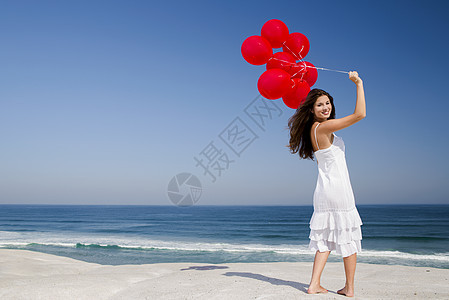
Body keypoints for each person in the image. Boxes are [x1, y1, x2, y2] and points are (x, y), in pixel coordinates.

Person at [287, 71, 366, 297]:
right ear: (311, 109)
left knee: (324, 239)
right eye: (320, 105)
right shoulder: (323, 128)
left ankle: (314, 284)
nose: (325, 107)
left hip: (324, 192)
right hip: (338, 191)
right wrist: (358, 84)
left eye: (328, 103)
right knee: (348, 238)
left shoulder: (315, 129)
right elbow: (360, 114)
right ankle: (349, 288)